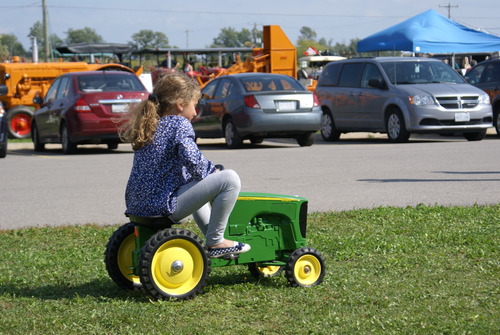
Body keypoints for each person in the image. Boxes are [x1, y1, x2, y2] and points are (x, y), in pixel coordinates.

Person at [120, 73, 250, 258]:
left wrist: (204, 174)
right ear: (180, 104)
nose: (196, 113)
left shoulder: (150, 124)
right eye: (194, 106)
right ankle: (216, 241)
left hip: (137, 205)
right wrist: (213, 171)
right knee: (230, 179)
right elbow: (192, 159)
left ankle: (214, 241)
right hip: (160, 206)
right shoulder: (179, 123)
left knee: (196, 181)